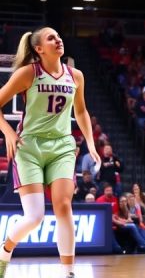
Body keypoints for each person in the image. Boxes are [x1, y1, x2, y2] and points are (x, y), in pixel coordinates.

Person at [0, 28, 101, 278]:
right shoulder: (28, 73)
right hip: (29, 147)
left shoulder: (76, 75)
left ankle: (68, 273)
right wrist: (9, 133)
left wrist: (90, 143)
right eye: (51, 38)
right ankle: (5, 248)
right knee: (35, 217)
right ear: (39, 49)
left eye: (58, 36)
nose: (58, 40)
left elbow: (81, 111)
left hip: (62, 146)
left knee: (63, 206)